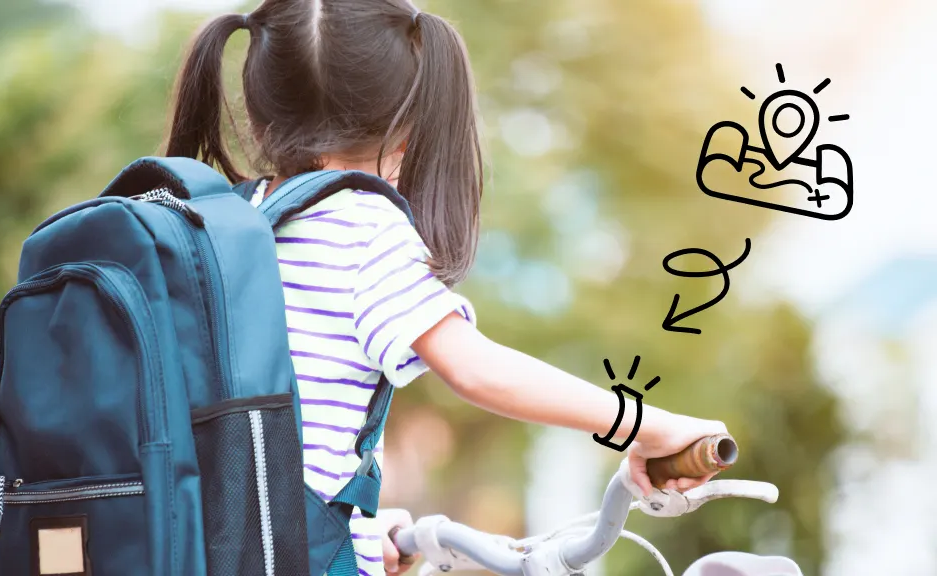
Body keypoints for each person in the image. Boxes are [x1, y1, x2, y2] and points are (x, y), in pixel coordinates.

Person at [163, 1, 729, 574]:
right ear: (406, 123)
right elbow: (477, 371)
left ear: (260, 108)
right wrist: (652, 427)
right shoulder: (362, 225)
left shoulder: (218, 223)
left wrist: (353, 524)